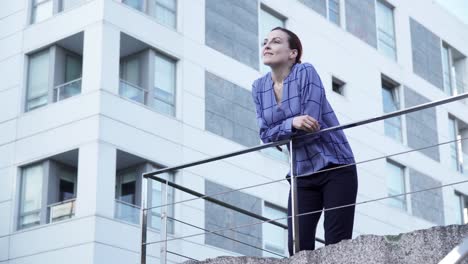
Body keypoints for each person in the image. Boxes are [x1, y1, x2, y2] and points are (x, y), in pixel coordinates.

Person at [251, 26, 359, 256]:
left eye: (276, 41)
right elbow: (265, 135)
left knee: (336, 246)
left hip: (336, 166)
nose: (267, 45)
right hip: (300, 174)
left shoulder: (305, 72)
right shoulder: (259, 88)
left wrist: (283, 129)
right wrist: (291, 124)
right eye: (265, 41)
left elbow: (311, 124)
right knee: (298, 249)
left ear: (293, 53)